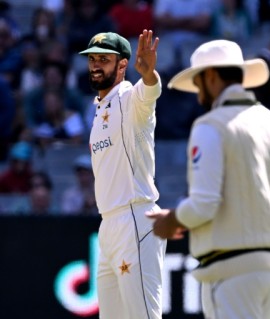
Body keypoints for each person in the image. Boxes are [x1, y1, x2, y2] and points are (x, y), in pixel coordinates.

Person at [148, 39, 270, 319]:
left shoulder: (209, 126)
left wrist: (173, 220)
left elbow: (204, 203)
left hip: (231, 268)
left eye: (198, 82)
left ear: (211, 76)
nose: (198, 93)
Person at [78, 30, 166, 319]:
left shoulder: (129, 98)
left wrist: (149, 74)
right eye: (92, 59)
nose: (95, 65)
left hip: (135, 218)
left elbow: (148, 93)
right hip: (109, 226)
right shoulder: (100, 106)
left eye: (104, 59)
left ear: (123, 65)